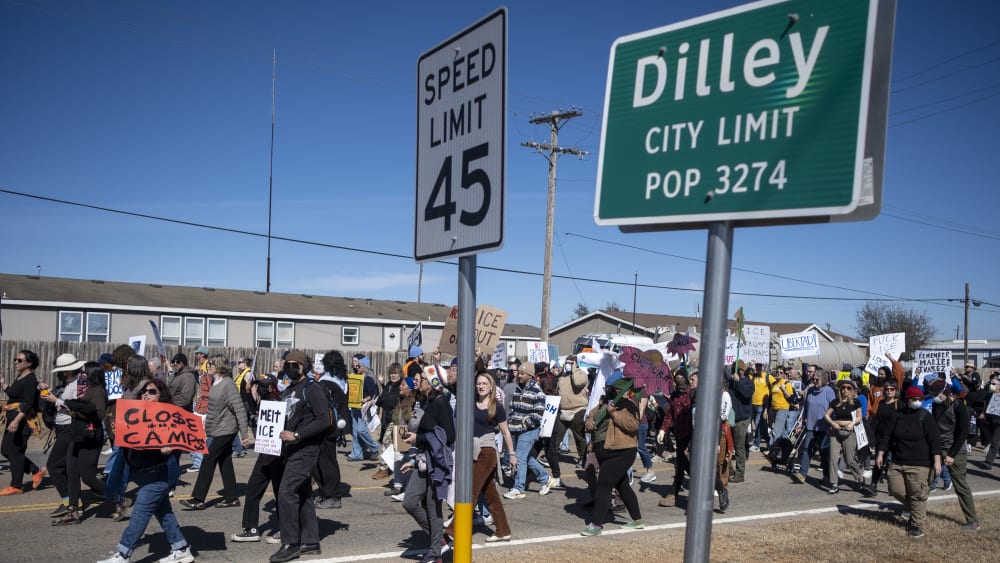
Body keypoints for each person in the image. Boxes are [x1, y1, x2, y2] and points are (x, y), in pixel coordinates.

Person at [96, 378, 194, 563]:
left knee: (140, 514)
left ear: (161, 395)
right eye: (144, 392)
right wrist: (119, 432)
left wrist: (170, 447)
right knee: (164, 513)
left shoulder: (170, 417)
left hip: (159, 475)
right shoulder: (137, 414)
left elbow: (182, 439)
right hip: (141, 474)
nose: (146, 394)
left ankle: (123, 554)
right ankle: (182, 549)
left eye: (151, 391)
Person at [269, 350, 329, 563]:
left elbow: (324, 420)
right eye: (288, 363)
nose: (291, 367)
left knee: (286, 491)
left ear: (305, 367)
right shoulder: (289, 390)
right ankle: (311, 541)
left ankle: (290, 543)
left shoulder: (313, 389)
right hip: (291, 449)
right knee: (302, 493)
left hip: (307, 448)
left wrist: (297, 435)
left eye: (296, 364)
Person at [444, 372, 514, 543]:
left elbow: (505, 432)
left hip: (487, 451)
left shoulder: (496, 407)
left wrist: (512, 454)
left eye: (484, 383)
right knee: (490, 495)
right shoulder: (470, 404)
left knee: (471, 491)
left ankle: (453, 530)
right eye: (478, 383)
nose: (481, 386)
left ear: (491, 387)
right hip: (472, 450)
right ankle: (503, 530)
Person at [179, 354, 249, 510]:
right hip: (216, 429)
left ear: (219, 366)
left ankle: (198, 499)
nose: (208, 366)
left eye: (211, 364)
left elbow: (239, 410)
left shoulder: (228, 385)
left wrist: (244, 435)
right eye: (208, 364)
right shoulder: (215, 382)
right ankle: (232, 497)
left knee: (208, 460)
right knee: (225, 462)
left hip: (226, 430)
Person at [401, 365, 455, 563]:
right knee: (409, 501)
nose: (419, 381)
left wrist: (418, 438)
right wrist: (414, 461)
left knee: (433, 508)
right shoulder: (428, 402)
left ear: (433, 383)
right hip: (424, 460)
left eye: (423, 378)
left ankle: (435, 552)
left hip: (437, 463)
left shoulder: (441, 404)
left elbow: (449, 436)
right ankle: (440, 538)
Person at [580, 374, 643, 536]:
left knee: (604, 483)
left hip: (622, 451)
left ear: (619, 389)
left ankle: (596, 525)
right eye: (607, 388)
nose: (608, 390)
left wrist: (615, 414)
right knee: (622, 485)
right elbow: (590, 417)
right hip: (602, 450)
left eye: (612, 388)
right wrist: (590, 423)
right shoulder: (602, 403)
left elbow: (632, 425)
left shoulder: (628, 405)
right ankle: (637, 520)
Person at [875, 385, 942, 539]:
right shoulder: (897, 416)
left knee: (917, 494)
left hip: (920, 463)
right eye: (914, 399)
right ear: (907, 400)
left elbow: (935, 441)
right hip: (898, 461)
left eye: (920, 399)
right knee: (896, 490)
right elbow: (887, 437)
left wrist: (937, 461)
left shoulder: (926, 416)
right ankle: (917, 509)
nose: (917, 401)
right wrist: (880, 453)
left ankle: (917, 525)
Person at [232, 374, 285, 543]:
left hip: (278, 455)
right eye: (257, 385)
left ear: (271, 387)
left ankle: (286, 530)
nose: (258, 388)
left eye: (262, 385)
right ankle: (251, 528)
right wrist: (249, 392)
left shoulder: (280, 403)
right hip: (264, 455)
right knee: (253, 489)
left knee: (281, 495)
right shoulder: (262, 402)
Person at [54, 362, 109, 525]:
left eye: (85, 373)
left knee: (88, 477)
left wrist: (75, 411)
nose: (82, 375)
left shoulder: (98, 391)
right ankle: (73, 511)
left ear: (93, 374)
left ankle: (118, 498)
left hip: (90, 437)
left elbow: (98, 415)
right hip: (77, 435)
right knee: (72, 474)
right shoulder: (86, 389)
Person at [927, 379, 979, 531]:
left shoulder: (959, 406)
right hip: (939, 448)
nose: (935, 397)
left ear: (946, 392)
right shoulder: (937, 406)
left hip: (956, 451)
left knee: (960, 486)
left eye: (937, 394)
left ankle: (972, 520)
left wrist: (952, 454)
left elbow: (963, 433)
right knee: (926, 480)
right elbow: (936, 428)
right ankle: (913, 512)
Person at [39, 353, 88, 513]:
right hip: (61, 427)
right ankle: (73, 500)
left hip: (70, 427)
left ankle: (69, 499)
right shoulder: (65, 383)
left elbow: (78, 406)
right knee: (67, 466)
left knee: (53, 465)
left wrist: (56, 401)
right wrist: (44, 391)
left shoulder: (80, 384)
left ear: (68, 370)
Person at [504, 362, 554, 499]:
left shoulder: (538, 393)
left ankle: (518, 488)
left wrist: (523, 424)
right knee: (526, 457)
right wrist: (512, 423)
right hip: (516, 429)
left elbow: (538, 415)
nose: (519, 375)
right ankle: (545, 479)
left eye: (522, 373)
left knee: (520, 456)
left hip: (529, 430)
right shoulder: (517, 390)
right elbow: (513, 408)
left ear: (530, 376)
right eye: (518, 373)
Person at [1, 349, 44, 495]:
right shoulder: (20, 376)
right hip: (12, 418)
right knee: (6, 450)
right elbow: (13, 393)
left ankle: (16, 486)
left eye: (19, 360)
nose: (15, 362)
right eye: (15, 359)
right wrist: (4, 384)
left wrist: (17, 421)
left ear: (29, 363)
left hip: (23, 420)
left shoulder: (30, 379)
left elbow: (28, 402)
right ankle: (35, 470)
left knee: (16, 451)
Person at [312, 351, 350, 510]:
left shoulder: (326, 383)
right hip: (336, 425)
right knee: (325, 460)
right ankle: (326, 492)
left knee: (325, 462)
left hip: (326, 426)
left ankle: (332, 495)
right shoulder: (342, 380)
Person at [823, 379, 874, 496]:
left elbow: (859, 417)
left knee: (850, 460)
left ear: (852, 390)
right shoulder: (835, 402)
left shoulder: (855, 402)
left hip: (849, 432)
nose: (845, 390)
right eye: (843, 388)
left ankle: (860, 479)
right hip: (836, 432)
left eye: (848, 388)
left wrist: (852, 424)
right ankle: (834, 484)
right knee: (833, 459)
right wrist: (833, 424)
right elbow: (826, 415)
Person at [793, 368, 836, 487]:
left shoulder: (828, 391)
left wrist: (832, 424)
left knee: (824, 452)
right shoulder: (810, 390)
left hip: (824, 426)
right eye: (814, 379)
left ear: (824, 379)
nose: (815, 381)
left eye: (817, 379)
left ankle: (827, 476)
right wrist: (803, 419)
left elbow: (834, 408)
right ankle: (802, 474)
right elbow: (806, 406)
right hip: (811, 425)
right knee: (807, 449)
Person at [657, 375, 692, 507]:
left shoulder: (693, 395)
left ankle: (719, 488)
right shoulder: (674, 395)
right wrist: (663, 429)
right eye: (677, 377)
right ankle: (673, 495)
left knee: (689, 466)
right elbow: (670, 414)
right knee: (681, 466)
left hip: (691, 436)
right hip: (679, 435)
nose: (679, 379)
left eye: (682, 377)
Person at [729, 364, 754, 483]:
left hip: (742, 419)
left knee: (739, 447)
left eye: (739, 369)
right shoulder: (731, 382)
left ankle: (740, 474)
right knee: (726, 446)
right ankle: (729, 470)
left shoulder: (748, 382)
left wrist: (738, 382)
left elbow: (746, 394)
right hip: (730, 418)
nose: (737, 372)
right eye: (734, 369)